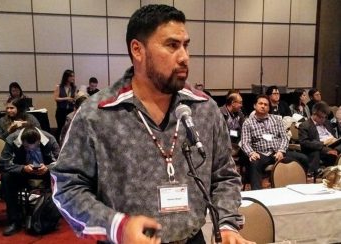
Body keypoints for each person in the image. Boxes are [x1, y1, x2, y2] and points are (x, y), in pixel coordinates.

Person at [51, 4, 252, 244]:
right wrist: (117, 226)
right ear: (138, 50)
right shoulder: (97, 114)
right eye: (172, 45)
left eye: (186, 45)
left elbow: (224, 176)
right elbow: (66, 187)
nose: (184, 57)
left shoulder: (204, 109)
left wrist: (227, 224)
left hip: (192, 239)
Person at [0, 126, 60, 236]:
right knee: (6, 177)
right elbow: (2, 164)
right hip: (23, 172)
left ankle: (51, 216)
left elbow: (61, 162)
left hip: (45, 172)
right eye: (27, 147)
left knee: (60, 175)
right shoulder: (11, 140)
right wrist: (22, 168)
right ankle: (14, 221)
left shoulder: (50, 139)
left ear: (39, 140)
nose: (30, 149)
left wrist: (48, 168)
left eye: (34, 147)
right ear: (22, 141)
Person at [241, 95, 308, 190]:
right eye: (260, 104)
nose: (263, 106)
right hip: (261, 153)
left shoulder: (276, 120)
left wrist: (281, 151)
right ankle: (257, 193)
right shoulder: (248, 123)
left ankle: (300, 187)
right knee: (253, 163)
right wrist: (251, 153)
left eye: (266, 104)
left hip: (278, 152)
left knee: (303, 158)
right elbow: (245, 142)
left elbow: (284, 138)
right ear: (254, 106)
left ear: (269, 107)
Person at [298, 101, 340, 176]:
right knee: (318, 153)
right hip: (319, 147)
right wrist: (323, 145)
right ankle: (317, 175)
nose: (323, 120)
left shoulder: (327, 123)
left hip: (334, 145)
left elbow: (334, 136)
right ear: (314, 114)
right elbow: (304, 142)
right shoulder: (304, 125)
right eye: (321, 117)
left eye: (325, 117)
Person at [54, 69, 76, 140]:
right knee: (61, 128)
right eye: (71, 76)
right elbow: (56, 98)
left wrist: (74, 100)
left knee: (69, 129)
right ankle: (59, 145)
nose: (73, 78)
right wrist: (66, 98)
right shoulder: (59, 87)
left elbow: (74, 98)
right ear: (66, 77)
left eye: (73, 76)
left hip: (70, 111)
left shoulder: (74, 87)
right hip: (61, 111)